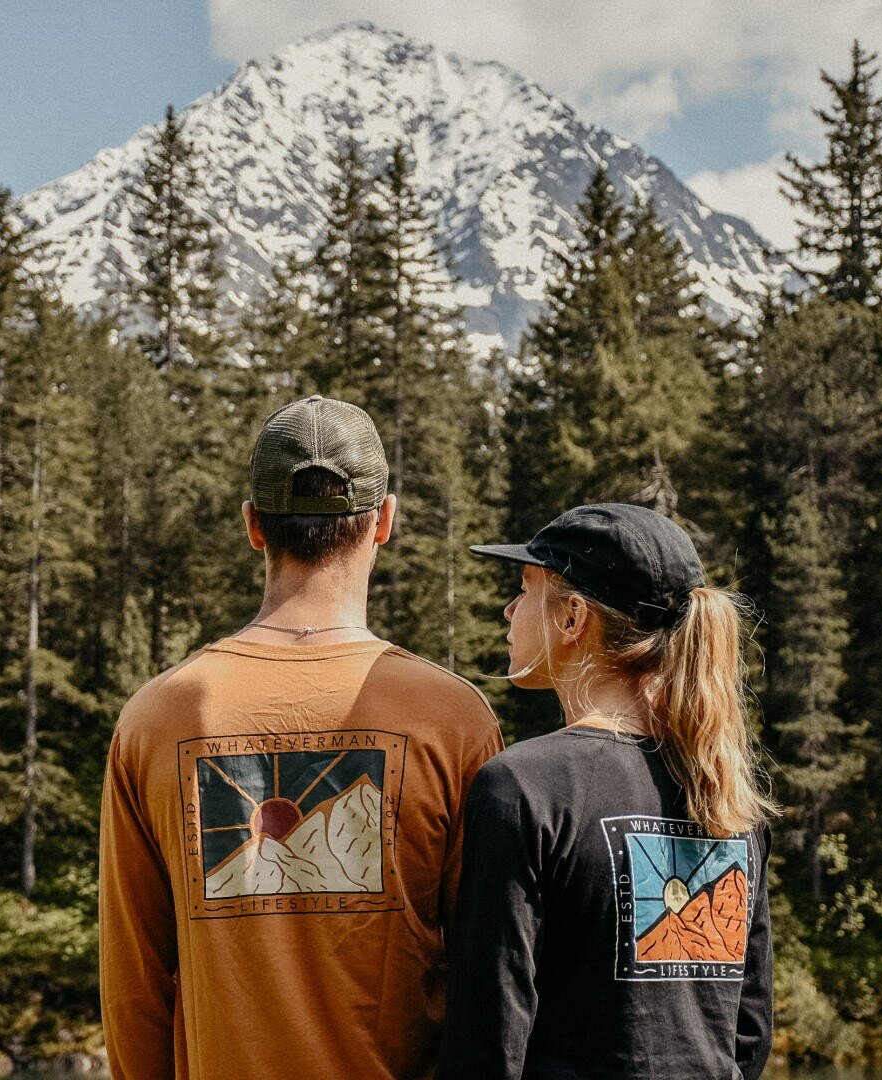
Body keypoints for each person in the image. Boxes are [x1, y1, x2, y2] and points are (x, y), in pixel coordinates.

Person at [100, 395, 504, 1079]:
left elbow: (136, 984)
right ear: (384, 521)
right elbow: (491, 981)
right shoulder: (453, 719)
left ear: (253, 525)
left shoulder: (158, 718)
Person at [440, 503, 777, 1080]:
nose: (509, 609)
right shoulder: (728, 795)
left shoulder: (524, 787)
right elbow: (748, 1036)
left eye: (524, 589)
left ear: (573, 617)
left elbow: (489, 1040)